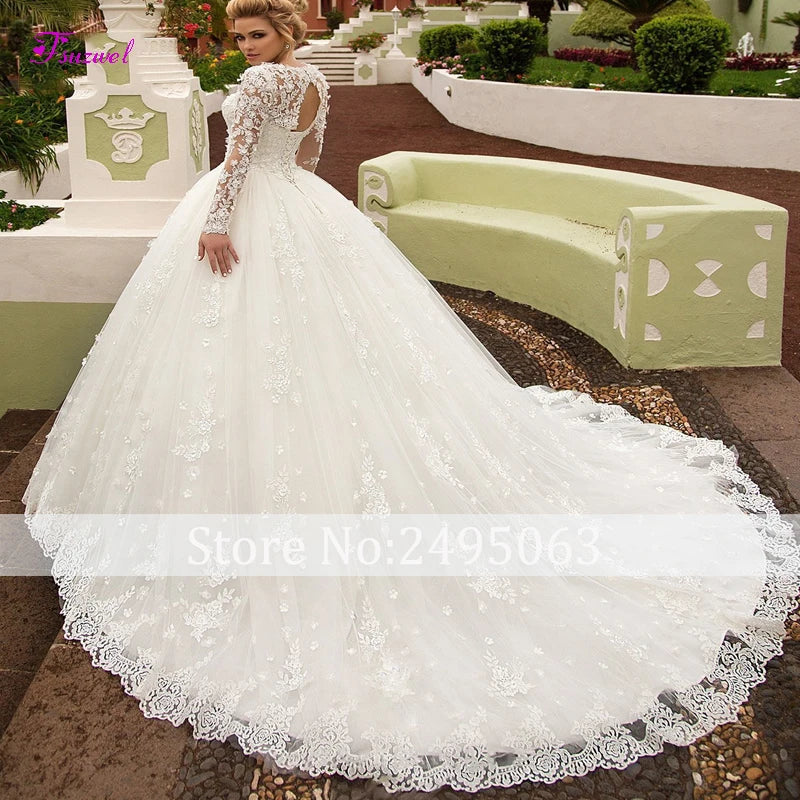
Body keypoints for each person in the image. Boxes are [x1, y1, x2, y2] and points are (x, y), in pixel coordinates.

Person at [22, 0, 800, 793]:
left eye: (256, 34)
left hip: (247, 214)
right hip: (302, 209)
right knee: (329, 355)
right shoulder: (317, 83)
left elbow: (239, 159)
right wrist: (283, 205)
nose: (246, 46)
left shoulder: (260, 83)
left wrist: (221, 225)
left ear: (282, 35)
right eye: (240, 35)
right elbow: (310, 159)